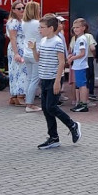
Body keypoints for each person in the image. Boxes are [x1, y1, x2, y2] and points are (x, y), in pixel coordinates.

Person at [32, 14, 81, 149]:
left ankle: (72, 125)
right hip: (44, 78)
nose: (39, 30)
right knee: (46, 109)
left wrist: (57, 81)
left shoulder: (57, 42)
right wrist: (33, 49)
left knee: (51, 107)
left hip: (53, 78)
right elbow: (38, 59)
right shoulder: (42, 41)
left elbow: (61, 62)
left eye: (42, 27)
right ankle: (53, 137)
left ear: (51, 28)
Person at [19, 2, 42, 113]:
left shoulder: (24, 22)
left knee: (29, 79)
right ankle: (30, 104)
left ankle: (28, 101)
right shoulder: (38, 23)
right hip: (35, 52)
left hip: (26, 52)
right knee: (35, 79)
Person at [67, 18, 91, 112]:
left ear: (83, 28)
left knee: (82, 85)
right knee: (80, 85)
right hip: (78, 65)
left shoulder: (81, 39)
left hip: (80, 65)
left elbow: (82, 53)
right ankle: (81, 102)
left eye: (78, 27)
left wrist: (72, 58)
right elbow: (78, 52)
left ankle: (83, 104)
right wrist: (72, 55)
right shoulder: (79, 38)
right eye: (74, 27)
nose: (75, 29)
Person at [6, 1, 27, 106]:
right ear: (13, 10)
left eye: (23, 8)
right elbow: (13, 38)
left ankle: (14, 96)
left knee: (16, 72)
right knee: (20, 72)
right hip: (17, 48)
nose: (22, 10)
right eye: (19, 8)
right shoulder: (14, 22)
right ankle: (19, 96)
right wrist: (16, 53)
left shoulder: (20, 21)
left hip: (20, 47)